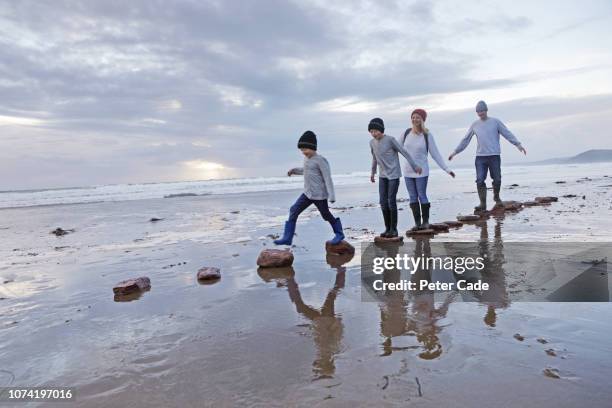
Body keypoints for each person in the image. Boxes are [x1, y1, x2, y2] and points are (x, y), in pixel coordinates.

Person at [448, 101, 526, 211]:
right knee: (480, 180)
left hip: (494, 156)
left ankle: (496, 197)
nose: (481, 113)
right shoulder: (475, 125)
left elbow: (507, 133)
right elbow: (465, 140)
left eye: (482, 111)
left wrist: (518, 144)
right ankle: (482, 204)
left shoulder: (495, 122)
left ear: (486, 110)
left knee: (497, 179)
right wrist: (455, 152)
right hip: (480, 157)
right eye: (478, 111)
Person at [274, 130, 344, 245]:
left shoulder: (321, 160)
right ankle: (287, 237)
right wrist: (294, 170)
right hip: (307, 194)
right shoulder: (306, 159)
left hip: (319, 195)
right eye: (301, 150)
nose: (303, 152)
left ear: (313, 147)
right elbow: (306, 170)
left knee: (326, 215)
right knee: (293, 210)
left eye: (305, 149)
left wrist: (332, 196)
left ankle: (339, 233)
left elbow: (327, 178)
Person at [400, 109, 455, 231]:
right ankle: (417, 224)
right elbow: (397, 148)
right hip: (408, 172)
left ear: (423, 120)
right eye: (413, 117)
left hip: (422, 172)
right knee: (412, 197)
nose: (415, 119)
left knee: (422, 195)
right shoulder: (406, 133)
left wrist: (446, 169)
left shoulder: (427, 135)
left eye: (418, 117)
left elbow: (435, 154)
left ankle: (425, 222)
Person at [369, 117, 422, 238]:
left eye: (375, 131)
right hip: (382, 176)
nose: (373, 133)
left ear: (381, 130)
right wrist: (372, 173)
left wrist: (414, 166)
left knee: (390, 201)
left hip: (393, 175)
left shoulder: (390, 140)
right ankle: (387, 228)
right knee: (383, 202)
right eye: (371, 131)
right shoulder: (372, 143)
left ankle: (394, 229)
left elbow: (404, 152)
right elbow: (374, 158)